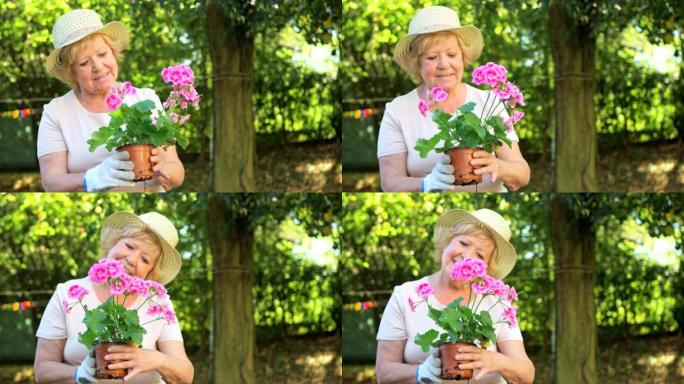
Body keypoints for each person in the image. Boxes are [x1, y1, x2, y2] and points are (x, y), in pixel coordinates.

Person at [377, 6, 530, 192]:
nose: (444, 64)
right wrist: (427, 183)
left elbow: (522, 174)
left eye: (452, 54)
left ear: (463, 57)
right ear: (417, 65)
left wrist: (499, 167)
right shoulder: (398, 110)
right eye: (432, 57)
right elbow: (390, 182)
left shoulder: (489, 100)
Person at [376, 208, 534, 383]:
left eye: (480, 255)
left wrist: (497, 361)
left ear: (487, 269)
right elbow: (384, 373)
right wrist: (421, 372)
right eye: (464, 243)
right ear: (447, 241)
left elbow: (526, 374)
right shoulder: (406, 295)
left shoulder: (496, 303)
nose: (467, 256)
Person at [34, 211, 194, 384]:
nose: (132, 259)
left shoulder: (158, 303)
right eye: (130, 246)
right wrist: (79, 374)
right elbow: (42, 371)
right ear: (112, 243)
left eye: (145, 259)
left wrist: (155, 359)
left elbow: (185, 375)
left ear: (151, 272)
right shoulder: (68, 292)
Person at [38, 9, 185, 192]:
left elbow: (177, 171)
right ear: (71, 72)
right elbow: (51, 182)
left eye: (102, 54)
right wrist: (91, 178)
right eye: (84, 63)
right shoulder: (56, 112)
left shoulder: (145, 98)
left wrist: (165, 168)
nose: (98, 67)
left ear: (114, 53)